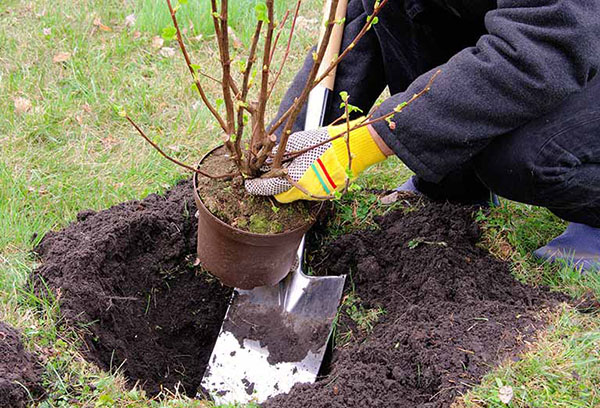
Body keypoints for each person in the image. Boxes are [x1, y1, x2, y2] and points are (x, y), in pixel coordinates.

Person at [245, 0, 600, 272]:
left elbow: (548, 40)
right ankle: (451, 181)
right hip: (548, 34)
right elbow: (364, 22)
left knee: (521, 158)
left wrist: (374, 137)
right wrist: (289, 144)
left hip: (570, 35)